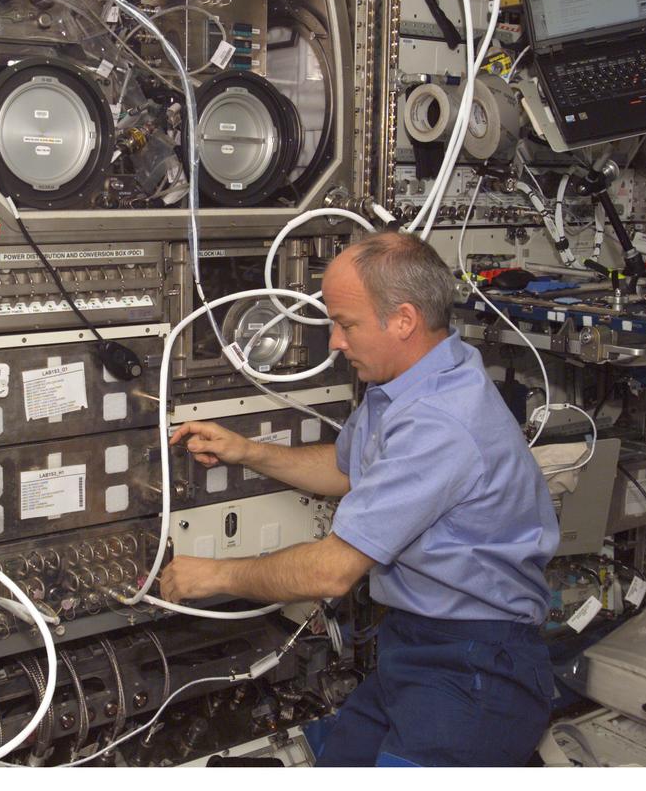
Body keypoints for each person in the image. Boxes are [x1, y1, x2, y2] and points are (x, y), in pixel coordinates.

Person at [163, 231, 559, 767]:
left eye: (346, 324)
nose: (334, 341)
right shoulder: (412, 382)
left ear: (403, 319)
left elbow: (330, 572)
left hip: (476, 664)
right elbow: (350, 470)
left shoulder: (441, 421)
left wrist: (213, 576)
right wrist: (247, 452)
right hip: (415, 647)